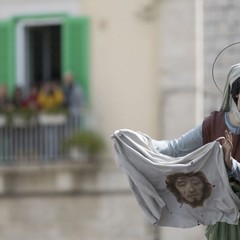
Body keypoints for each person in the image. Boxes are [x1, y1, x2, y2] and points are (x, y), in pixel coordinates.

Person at [152, 63, 240, 239]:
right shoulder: (213, 125)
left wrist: (231, 164)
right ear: (237, 93)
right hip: (221, 219)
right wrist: (142, 144)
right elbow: (174, 148)